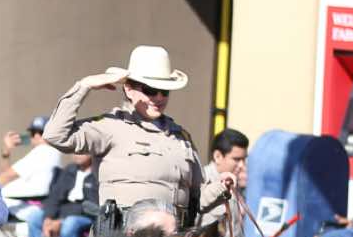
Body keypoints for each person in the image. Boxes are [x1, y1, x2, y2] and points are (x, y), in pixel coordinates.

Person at [42, 44, 225, 227]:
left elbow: (197, 198)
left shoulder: (181, 137)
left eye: (165, 91)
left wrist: (222, 186)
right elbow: (56, 135)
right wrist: (84, 86)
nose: (159, 97)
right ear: (129, 89)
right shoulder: (110, 126)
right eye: (150, 90)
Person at [0, 115, 60, 237]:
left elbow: (5, 176)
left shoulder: (41, 151)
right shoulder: (55, 152)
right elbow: (8, 174)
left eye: (40, 133)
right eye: (33, 133)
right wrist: (7, 152)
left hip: (28, 206)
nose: (36, 136)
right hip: (34, 205)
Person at [39, 152, 99, 237]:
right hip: (64, 212)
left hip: (87, 216)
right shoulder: (69, 170)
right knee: (35, 218)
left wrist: (61, 221)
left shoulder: (97, 173)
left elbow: (93, 205)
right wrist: (48, 218)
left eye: (82, 151)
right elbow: (54, 196)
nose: (78, 154)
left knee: (70, 223)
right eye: (75, 151)